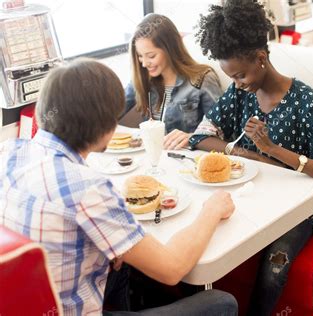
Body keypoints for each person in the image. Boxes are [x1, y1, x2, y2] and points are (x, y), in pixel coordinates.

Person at [0, 58, 237, 316]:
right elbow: (173, 268)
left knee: (123, 265)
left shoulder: (9, 151)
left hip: (24, 302)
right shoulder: (87, 187)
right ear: (105, 128)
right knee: (221, 303)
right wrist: (211, 209)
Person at [192, 1, 313, 315]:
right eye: (232, 77)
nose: (237, 83)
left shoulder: (306, 101)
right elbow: (200, 137)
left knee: (273, 269)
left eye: (240, 74)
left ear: (261, 58)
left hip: (299, 208)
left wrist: (275, 151)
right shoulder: (240, 93)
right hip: (251, 198)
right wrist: (242, 152)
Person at [124, 13, 223, 150]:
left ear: (169, 49)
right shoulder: (142, 78)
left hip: (187, 161)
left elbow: (223, 132)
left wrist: (192, 138)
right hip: (153, 159)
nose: (144, 63)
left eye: (151, 56)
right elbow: (112, 112)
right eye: (140, 56)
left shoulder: (202, 79)